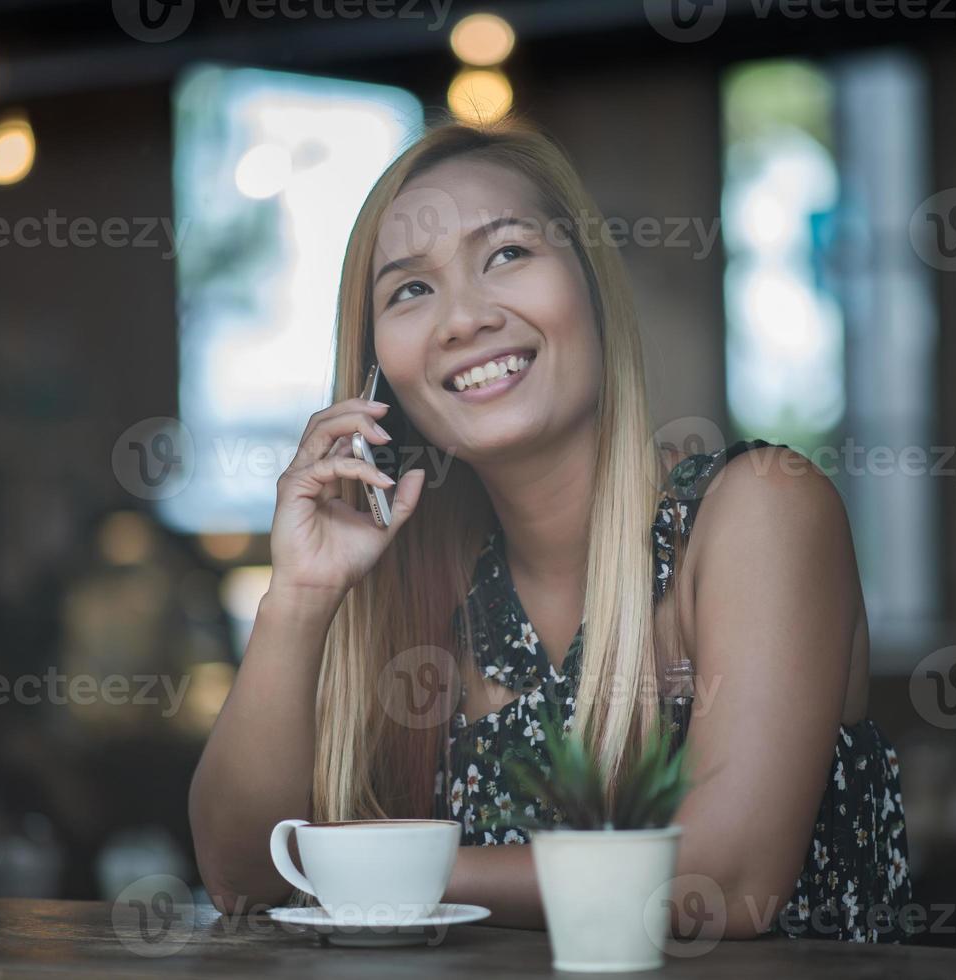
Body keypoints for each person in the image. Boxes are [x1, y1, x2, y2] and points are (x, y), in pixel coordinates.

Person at [188, 116, 911, 942]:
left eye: (506, 254)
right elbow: (245, 877)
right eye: (410, 290)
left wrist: (390, 873)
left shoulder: (760, 508)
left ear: (592, 288)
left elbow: (729, 878)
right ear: (378, 372)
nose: (461, 319)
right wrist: (301, 598)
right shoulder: (424, 591)